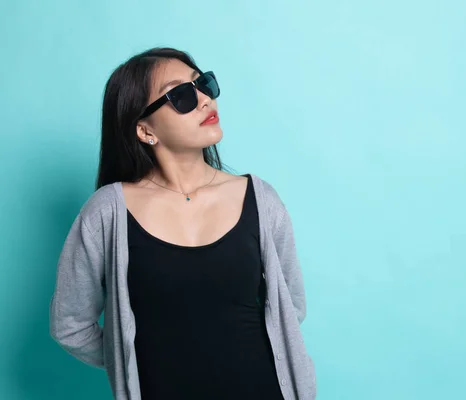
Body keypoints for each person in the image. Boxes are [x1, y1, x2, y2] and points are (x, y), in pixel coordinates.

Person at [49, 47, 316, 400]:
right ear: (145, 131)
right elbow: (70, 325)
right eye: (181, 95)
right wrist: (129, 356)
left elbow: (289, 305)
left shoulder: (261, 199)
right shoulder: (106, 213)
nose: (205, 99)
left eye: (203, 84)